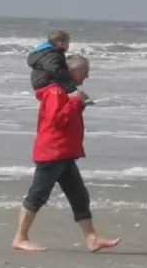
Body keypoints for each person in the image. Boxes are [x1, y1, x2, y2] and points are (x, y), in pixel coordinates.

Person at [11, 56, 118, 253]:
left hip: (65, 153)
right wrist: (76, 103)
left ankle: (92, 238)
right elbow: (57, 121)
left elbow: (67, 118)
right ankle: (20, 237)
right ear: (72, 70)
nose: (86, 76)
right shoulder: (54, 91)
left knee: (79, 196)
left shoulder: (66, 91)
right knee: (38, 195)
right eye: (84, 72)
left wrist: (79, 103)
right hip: (52, 152)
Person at [28, 29, 78, 95]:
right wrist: (67, 74)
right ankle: (77, 98)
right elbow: (52, 69)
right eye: (68, 43)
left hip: (40, 79)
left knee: (67, 84)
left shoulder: (47, 52)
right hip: (44, 81)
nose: (68, 46)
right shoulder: (52, 54)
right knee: (69, 86)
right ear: (61, 44)